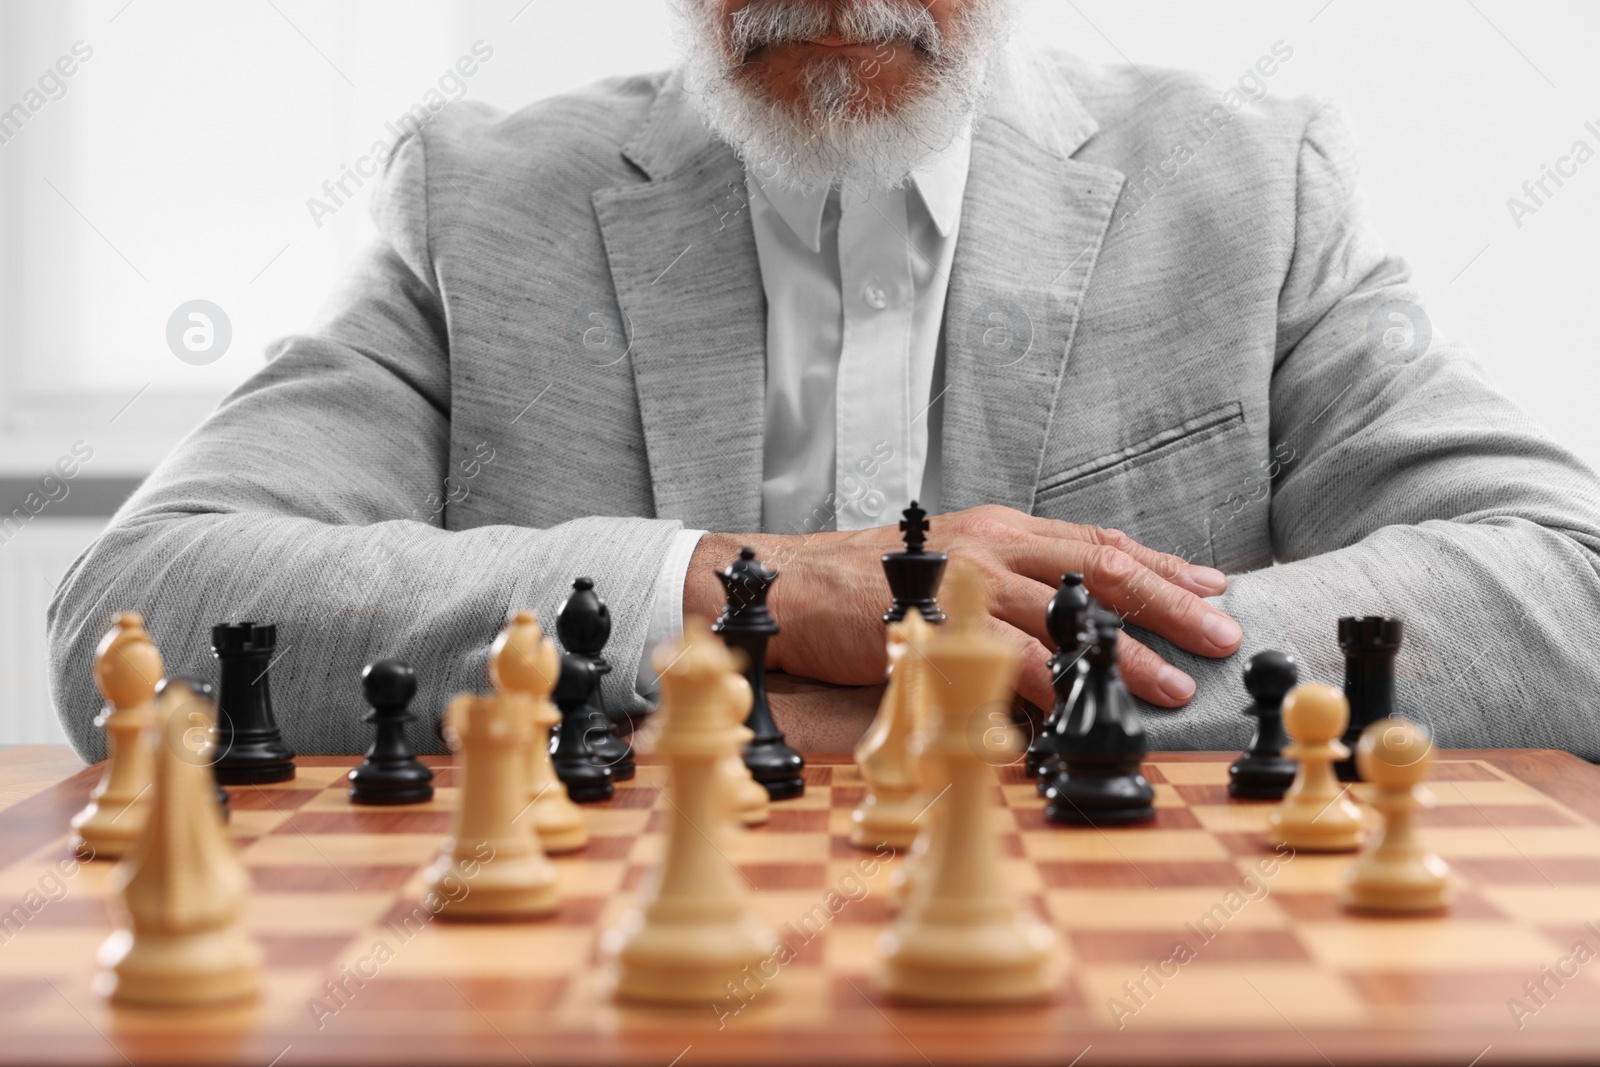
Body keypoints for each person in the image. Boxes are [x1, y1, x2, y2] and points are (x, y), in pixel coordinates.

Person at [47, 0, 1600, 760]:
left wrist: (942, 694)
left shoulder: (1249, 188)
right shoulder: (481, 201)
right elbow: (146, 606)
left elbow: (1564, 595)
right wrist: (745, 591)